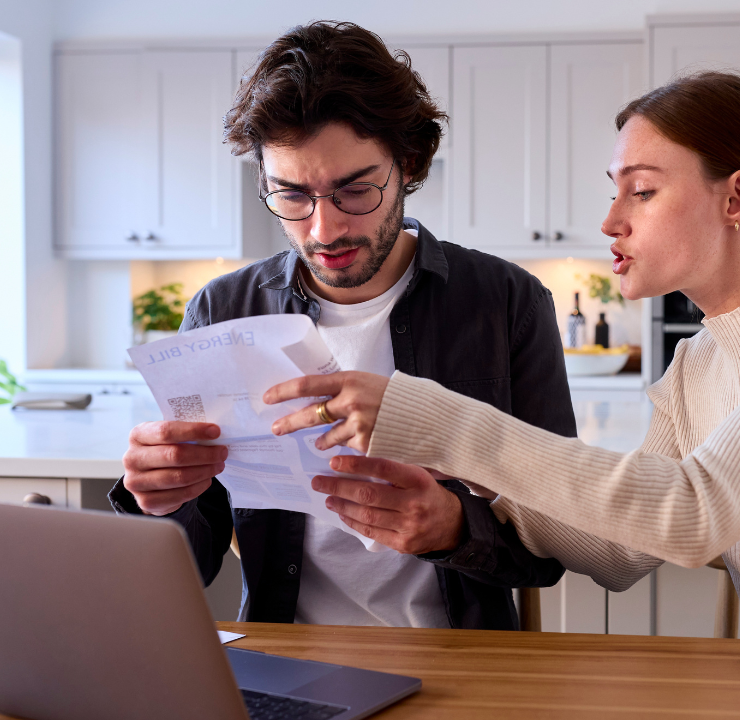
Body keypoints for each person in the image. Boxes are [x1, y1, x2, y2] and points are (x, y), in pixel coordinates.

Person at [264, 72, 740, 644]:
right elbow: (619, 553)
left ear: (739, 198)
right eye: (614, 188)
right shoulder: (698, 364)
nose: (610, 220)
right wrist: (465, 484)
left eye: (644, 190)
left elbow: (692, 518)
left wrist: (439, 421)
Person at [110, 21, 572, 631]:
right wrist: (158, 500)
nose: (324, 231)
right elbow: (189, 567)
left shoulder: (507, 302)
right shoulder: (223, 310)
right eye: (292, 196)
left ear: (409, 163)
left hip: (467, 661)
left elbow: (555, 546)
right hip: (290, 654)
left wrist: (455, 528)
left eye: (355, 191)